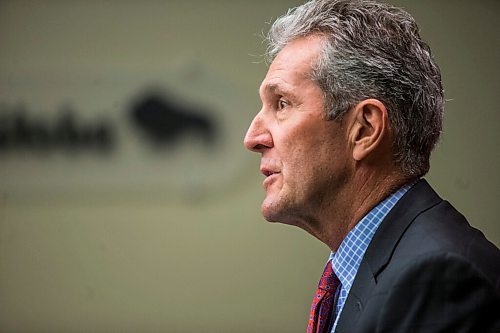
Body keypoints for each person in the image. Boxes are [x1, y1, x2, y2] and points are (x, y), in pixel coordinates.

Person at [243, 0, 500, 332]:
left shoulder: (438, 278)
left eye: (282, 103)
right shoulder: (374, 267)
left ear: (364, 129)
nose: (252, 137)